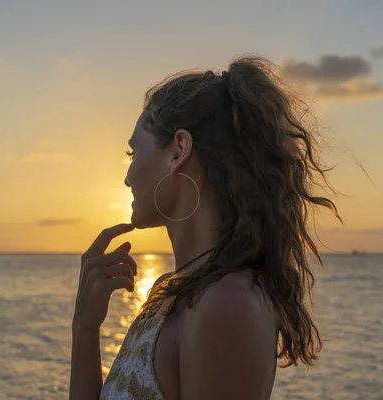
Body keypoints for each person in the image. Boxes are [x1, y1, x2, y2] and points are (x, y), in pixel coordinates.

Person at [70, 54, 343, 400]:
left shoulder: (224, 305)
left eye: (132, 153)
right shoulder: (177, 294)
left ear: (178, 151)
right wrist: (85, 327)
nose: (127, 177)